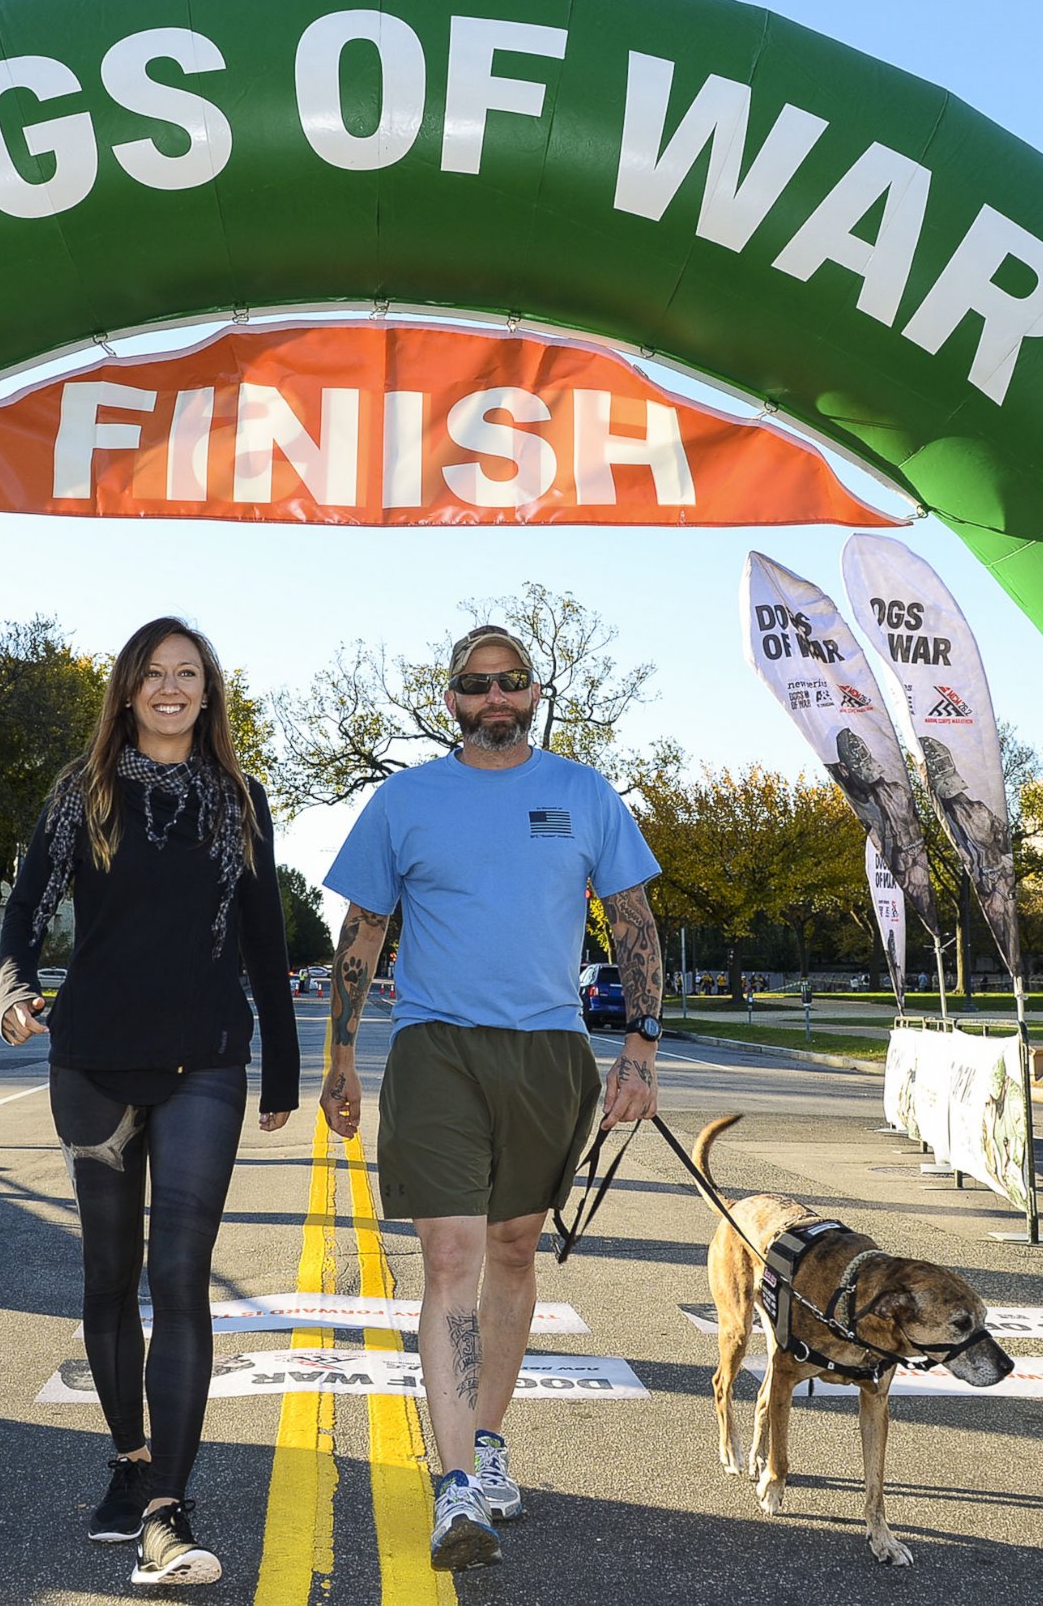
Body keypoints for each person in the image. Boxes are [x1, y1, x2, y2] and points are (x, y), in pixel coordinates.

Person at [320, 623, 664, 1573]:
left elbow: (632, 922)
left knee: (514, 1249)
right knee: (450, 1257)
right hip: (437, 1049)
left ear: (533, 692)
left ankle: (489, 1438)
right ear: (452, 701)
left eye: (511, 682)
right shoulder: (406, 799)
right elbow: (362, 931)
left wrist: (640, 1045)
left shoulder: (583, 792)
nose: (495, 699)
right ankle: (456, 1482)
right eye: (477, 686)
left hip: (551, 1052)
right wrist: (339, 1056)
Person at [0, 617, 299, 1588]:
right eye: (154, 675)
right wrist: (12, 989)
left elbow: (264, 942)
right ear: (127, 691)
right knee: (108, 1278)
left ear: (209, 694)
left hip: (206, 1059)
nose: (171, 688)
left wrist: (283, 1065)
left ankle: (167, 1508)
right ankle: (129, 1462)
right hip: (91, 1062)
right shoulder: (81, 793)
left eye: (189, 674)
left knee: (180, 1277)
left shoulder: (239, 800)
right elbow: (25, 914)